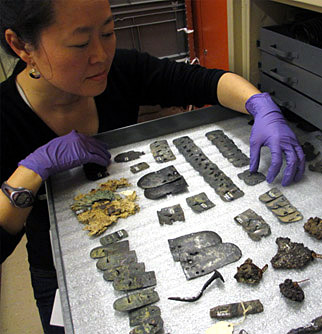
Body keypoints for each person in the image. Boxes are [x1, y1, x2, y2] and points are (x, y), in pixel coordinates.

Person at [0, 0, 305, 332]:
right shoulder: (4, 117)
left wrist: (258, 104)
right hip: (60, 266)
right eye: (80, 43)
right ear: (21, 46)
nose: (101, 55)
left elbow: (205, 82)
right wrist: (32, 170)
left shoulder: (122, 70)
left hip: (141, 235)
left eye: (108, 32)